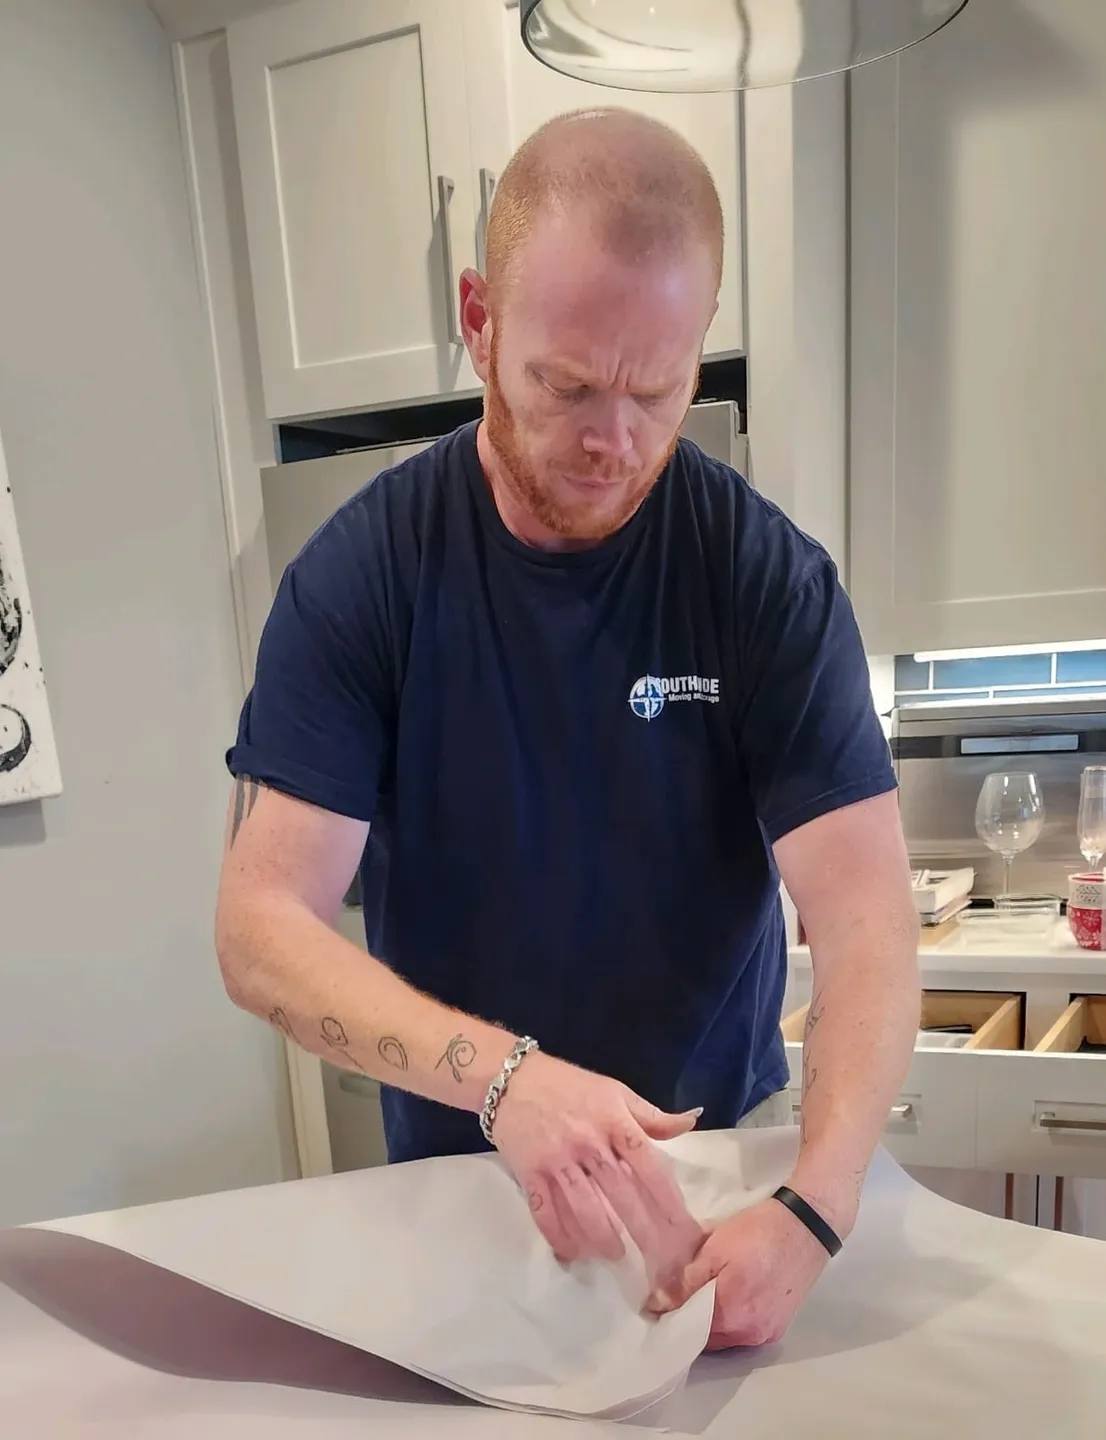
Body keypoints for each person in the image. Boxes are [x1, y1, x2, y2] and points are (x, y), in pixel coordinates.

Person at [215, 108, 920, 1351]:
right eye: (566, 385)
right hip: (460, 1167)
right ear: (479, 320)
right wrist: (507, 1083)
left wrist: (814, 1204)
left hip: (718, 1177)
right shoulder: (364, 576)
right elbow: (260, 930)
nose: (613, 441)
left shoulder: (763, 579)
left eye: (656, 390)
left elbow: (865, 922)